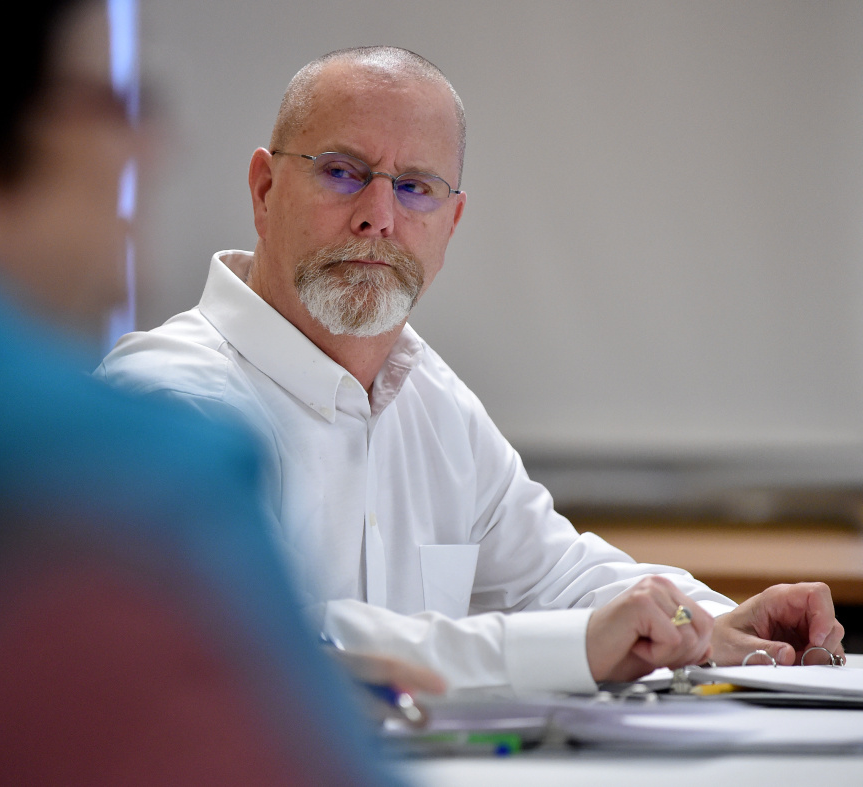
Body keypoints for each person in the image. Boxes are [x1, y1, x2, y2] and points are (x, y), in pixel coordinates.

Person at [97, 46, 845, 697]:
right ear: (264, 191)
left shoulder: (431, 400)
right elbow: (260, 641)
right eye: (342, 171)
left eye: (416, 186)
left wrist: (707, 622)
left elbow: (552, 574)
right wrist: (573, 647)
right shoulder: (167, 400)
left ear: (450, 224)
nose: (378, 216)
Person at [0, 4, 409, 784]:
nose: (155, 147)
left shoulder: (427, 391)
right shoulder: (127, 469)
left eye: (416, 186)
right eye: (121, 105)